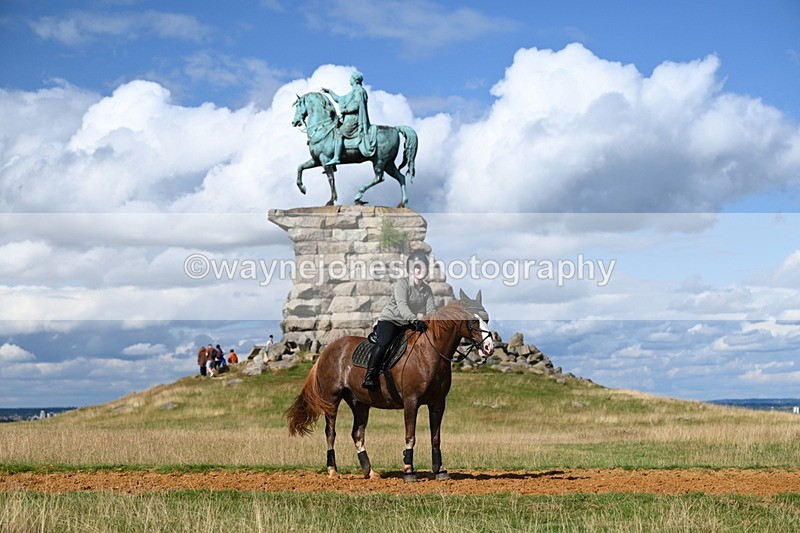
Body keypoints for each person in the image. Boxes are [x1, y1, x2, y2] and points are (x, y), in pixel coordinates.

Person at [362, 250, 437, 391]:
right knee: (384, 343)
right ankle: (369, 376)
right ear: (411, 268)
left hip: (407, 323)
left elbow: (431, 311)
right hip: (390, 320)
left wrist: (431, 324)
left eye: (423, 267)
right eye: (417, 267)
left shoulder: (427, 290)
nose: (420, 270)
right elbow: (403, 306)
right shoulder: (402, 283)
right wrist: (415, 320)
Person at [321, 71, 375, 165]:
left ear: (354, 79)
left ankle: (337, 157)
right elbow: (339, 99)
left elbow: (357, 106)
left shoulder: (359, 91)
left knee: (338, 132)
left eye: (350, 78)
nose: (349, 80)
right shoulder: (353, 92)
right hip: (348, 119)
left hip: (354, 120)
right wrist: (330, 92)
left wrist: (346, 111)